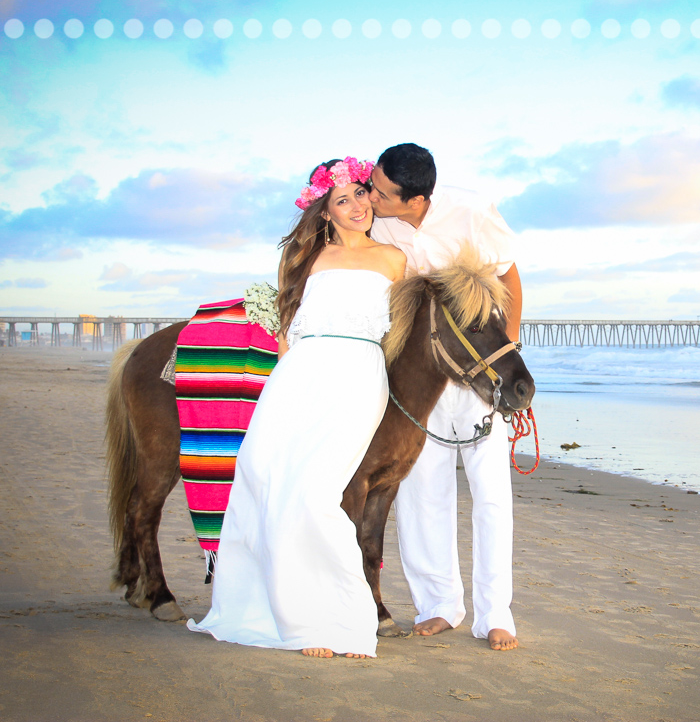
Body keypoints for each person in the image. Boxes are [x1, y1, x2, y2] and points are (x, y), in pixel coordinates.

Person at [188, 157, 406, 658]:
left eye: (360, 193)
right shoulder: (306, 257)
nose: (357, 206)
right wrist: (286, 379)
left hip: (357, 374)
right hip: (299, 374)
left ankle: (343, 621)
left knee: (313, 495)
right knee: (264, 479)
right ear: (325, 212)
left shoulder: (395, 259)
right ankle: (286, 614)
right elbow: (287, 329)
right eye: (342, 199)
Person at [368, 143, 523, 651]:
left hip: (477, 371)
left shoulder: (471, 211)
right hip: (422, 375)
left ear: (415, 200)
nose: (372, 197)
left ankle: (495, 614)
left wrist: (507, 351)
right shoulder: (378, 223)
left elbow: (508, 276)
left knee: (491, 494)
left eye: (381, 192)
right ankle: (438, 605)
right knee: (422, 494)